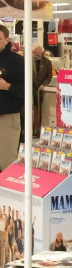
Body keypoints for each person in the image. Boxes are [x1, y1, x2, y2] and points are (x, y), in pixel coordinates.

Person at [0, 25, 24, 170]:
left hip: (7, 120)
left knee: (7, 163)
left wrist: (7, 86)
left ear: (6, 40)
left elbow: (28, 89)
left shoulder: (17, 62)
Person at [31, 45, 51, 137]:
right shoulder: (27, 60)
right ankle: (29, 129)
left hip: (40, 90)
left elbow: (49, 76)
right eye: (36, 52)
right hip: (29, 88)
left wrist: (44, 84)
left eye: (39, 52)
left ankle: (38, 129)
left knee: (39, 110)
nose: (38, 54)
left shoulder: (47, 62)